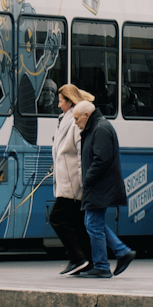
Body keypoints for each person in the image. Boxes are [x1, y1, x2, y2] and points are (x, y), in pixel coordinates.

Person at [73, 100, 136, 279]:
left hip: (100, 186)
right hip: (99, 185)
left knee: (93, 224)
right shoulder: (97, 127)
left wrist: (88, 179)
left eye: (77, 118)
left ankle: (102, 265)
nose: (76, 122)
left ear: (87, 115)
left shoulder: (100, 128)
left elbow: (102, 159)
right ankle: (122, 251)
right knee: (93, 223)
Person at [50, 83, 94, 275]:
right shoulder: (65, 119)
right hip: (67, 180)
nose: (58, 105)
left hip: (72, 182)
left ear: (69, 102)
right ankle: (86, 261)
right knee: (77, 223)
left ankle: (78, 258)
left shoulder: (74, 122)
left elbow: (79, 155)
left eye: (61, 101)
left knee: (57, 218)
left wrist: (81, 183)